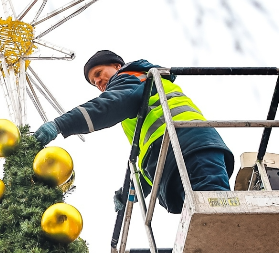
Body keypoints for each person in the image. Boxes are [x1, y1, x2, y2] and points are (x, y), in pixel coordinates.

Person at [33, 50, 235, 213]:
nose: (98, 83)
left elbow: (108, 106)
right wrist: (131, 191)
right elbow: (148, 150)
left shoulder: (132, 77)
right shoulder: (136, 95)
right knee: (206, 216)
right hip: (175, 154)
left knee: (216, 213)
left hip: (187, 145)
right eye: (94, 82)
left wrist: (60, 124)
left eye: (98, 74)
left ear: (117, 67)